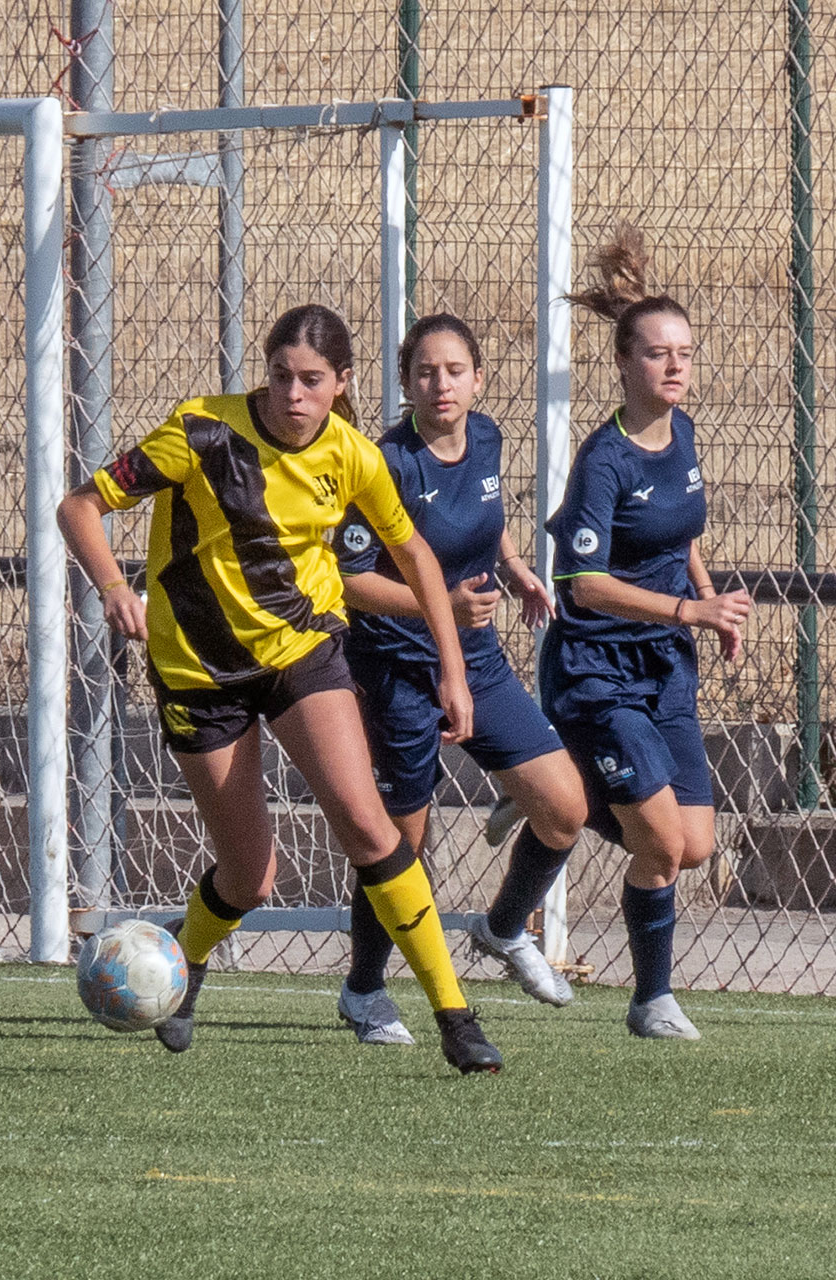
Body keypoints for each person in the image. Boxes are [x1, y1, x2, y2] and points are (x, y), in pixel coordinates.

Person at [56, 303, 503, 1074]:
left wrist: (453, 672)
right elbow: (80, 506)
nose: (294, 394)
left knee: (368, 826)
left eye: (312, 380)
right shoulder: (201, 431)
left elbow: (417, 558)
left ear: (342, 383)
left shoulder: (353, 456)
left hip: (303, 650)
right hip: (199, 670)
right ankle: (188, 962)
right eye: (281, 376)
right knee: (249, 875)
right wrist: (112, 586)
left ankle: (454, 1015)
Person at [332, 315, 589, 1045]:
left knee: (564, 807)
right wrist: (438, 604)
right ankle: (363, 991)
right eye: (425, 372)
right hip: (398, 668)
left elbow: (483, 516)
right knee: (400, 846)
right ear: (406, 382)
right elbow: (349, 579)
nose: (440, 385)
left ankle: (503, 929)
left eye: (454, 371)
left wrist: (514, 566)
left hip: (476, 660)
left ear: (479, 378)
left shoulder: (488, 438)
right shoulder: (385, 464)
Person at [542, 228, 749, 1039]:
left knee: (693, 845)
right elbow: (581, 583)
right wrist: (689, 612)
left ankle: (561, 787)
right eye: (658, 354)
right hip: (598, 670)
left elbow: (681, 532)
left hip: (666, 668)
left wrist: (708, 596)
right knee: (659, 844)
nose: (674, 367)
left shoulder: (683, 433)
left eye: (684, 354)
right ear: (624, 363)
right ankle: (650, 1000)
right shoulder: (605, 461)